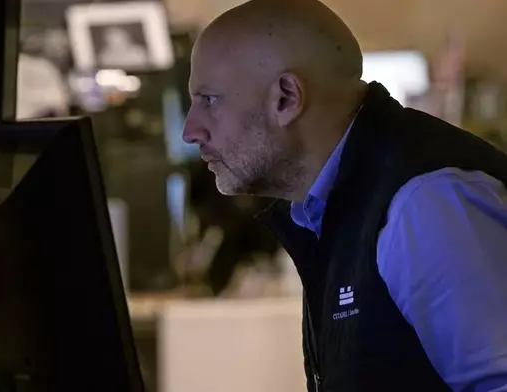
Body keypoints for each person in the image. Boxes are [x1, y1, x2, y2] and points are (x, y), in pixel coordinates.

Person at [181, 0, 507, 391]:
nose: (191, 130)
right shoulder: (325, 210)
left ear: (286, 97)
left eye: (209, 100)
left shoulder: (424, 204)